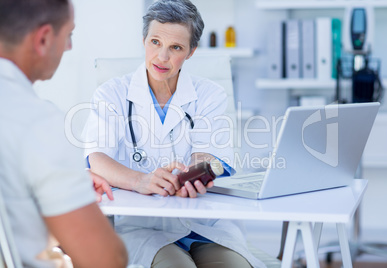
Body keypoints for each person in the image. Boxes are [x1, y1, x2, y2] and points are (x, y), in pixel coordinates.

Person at [82, 0, 265, 267]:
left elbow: (211, 157)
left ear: (191, 51)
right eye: (155, 42)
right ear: (144, 39)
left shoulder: (209, 94)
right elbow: (96, 157)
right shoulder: (112, 94)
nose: (162, 57)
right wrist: (140, 181)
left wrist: (192, 175)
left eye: (176, 47)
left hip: (206, 225)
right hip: (143, 227)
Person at [0, 0, 128, 267]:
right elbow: (106, 260)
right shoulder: (38, 122)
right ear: (44, 39)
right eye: (68, 35)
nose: (69, 47)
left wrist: (61, 183)